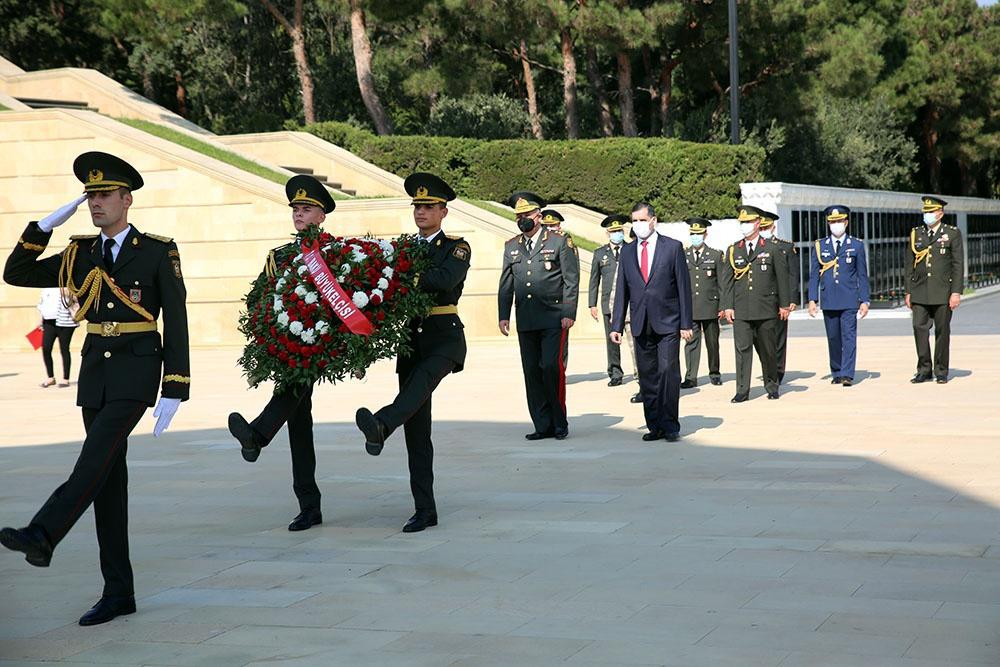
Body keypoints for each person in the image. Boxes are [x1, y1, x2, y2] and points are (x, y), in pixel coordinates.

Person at [2, 151, 189, 626]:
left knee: (91, 459)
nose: (95, 203)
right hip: (95, 373)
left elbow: (178, 319)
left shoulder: (155, 251)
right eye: (89, 196)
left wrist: (176, 384)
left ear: (127, 199)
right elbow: (16, 274)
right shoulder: (78, 252)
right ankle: (118, 592)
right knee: (107, 481)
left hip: (137, 371)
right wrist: (43, 226)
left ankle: (43, 533)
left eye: (104, 194)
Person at [355, 173, 470, 533]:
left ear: (443, 211)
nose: (421, 212)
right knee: (417, 431)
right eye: (417, 206)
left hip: (444, 338)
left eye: (428, 206)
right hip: (411, 342)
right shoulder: (403, 249)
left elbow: (442, 280)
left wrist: (402, 273)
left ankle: (383, 423)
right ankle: (425, 509)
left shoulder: (456, 247)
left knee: (416, 388)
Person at [226, 174, 336, 532]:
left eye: (306, 209)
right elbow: (258, 298)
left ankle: (258, 434)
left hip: (320, 346)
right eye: (296, 209)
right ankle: (309, 506)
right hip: (289, 347)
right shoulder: (280, 256)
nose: (299, 215)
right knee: (299, 424)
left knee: (292, 393)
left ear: (321, 215)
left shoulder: (336, 253)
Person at [498, 191, 580, 441]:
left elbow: (571, 280)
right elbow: (506, 283)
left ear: (539, 216)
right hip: (527, 318)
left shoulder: (558, 242)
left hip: (554, 317)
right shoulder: (511, 246)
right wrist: (504, 315)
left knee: (550, 368)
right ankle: (542, 424)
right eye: (519, 216)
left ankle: (558, 422)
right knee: (532, 371)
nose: (523, 219)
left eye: (527, 215)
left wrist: (568, 312)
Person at [610, 202, 693, 442]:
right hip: (639, 322)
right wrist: (616, 325)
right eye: (634, 221)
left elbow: (683, 288)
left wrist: (686, 323)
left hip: (668, 320)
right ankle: (654, 424)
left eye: (641, 220)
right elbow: (622, 290)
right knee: (647, 375)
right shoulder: (627, 251)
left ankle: (670, 424)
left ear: (653, 221)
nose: (637, 225)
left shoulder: (672, 248)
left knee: (668, 371)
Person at [720, 205, 790, 403]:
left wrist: (784, 305)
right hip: (741, 309)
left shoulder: (772, 249)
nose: (745, 226)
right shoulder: (734, 250)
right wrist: (727, 306)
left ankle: (772, 384)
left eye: (748, 222)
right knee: (742, 350)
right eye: (742, 222)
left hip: (766, 308)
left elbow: (782, 279)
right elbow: (726, 281)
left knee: (768, 349)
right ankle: (742, 390)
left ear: (758, 223)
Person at [807, 205, 871, 386]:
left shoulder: (856, 245)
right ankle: (836, 371)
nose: (836, 225)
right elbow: (814, 275)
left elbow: (862, 275)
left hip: (849, 299)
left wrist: (864, 300)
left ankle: (847, 374)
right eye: (832, 222)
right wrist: (812, 299)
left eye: (839, 221)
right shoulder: (820, 246)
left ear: (846, 222)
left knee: (849, 337)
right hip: (829, 299)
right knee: (834, 337)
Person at [905, 196, 963, 384]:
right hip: (920, 290)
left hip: (942, 291)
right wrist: (908, 291)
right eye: (926, 212)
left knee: (942, 331)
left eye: (931, 212)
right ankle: (924, 369)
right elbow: (909, 265)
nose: (928, 215)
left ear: (941, 213)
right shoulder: (917, 233)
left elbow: (957, 264)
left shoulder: (952, 233)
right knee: (918, 328)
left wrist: (956, 292)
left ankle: (941, 370)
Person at [680, 218, 723, 389]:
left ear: (705, 234)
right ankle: (691, 376)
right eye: (693, 234)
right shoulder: (683, 255)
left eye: (698, 234)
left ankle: (714, 372)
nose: (695, 237)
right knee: (691, 342)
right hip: (690, 307)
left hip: (710, 306)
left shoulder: (715, 255)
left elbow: (722, 283)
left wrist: (723, 305)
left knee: (712, 343)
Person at [758, 212, 799, 384]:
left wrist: (791, 299)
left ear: (773, 227)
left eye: (766, 227)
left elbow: (791, 275)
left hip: (779, 299)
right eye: (761, 228)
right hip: (760, 300)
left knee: (779, 337)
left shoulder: (785, 247)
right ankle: (769, 367)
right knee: (760, 339)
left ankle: (778, 370)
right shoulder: (753, 247)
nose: (764, 230)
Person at [589, 214, 628, 387]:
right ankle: (615, 372)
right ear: (608, 233)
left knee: (636, 339)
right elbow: (594, 280)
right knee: (612, 340)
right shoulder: (599, 254)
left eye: (619, 230)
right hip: (608, 304)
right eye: (613, 231)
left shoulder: (631, 249)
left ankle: (640, 371)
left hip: (630, 303)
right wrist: (592, 304)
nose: (617, 234)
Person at [37, 287, 79, 388]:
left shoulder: (66, 284)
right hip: (48, 321)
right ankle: (50, 377)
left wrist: (69, 293)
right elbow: (42, 305)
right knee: (46, 348)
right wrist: (40, 321)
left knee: (64, 349)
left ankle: (65, 379)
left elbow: (78, 298)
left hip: (65, 322)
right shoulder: (45, 288)